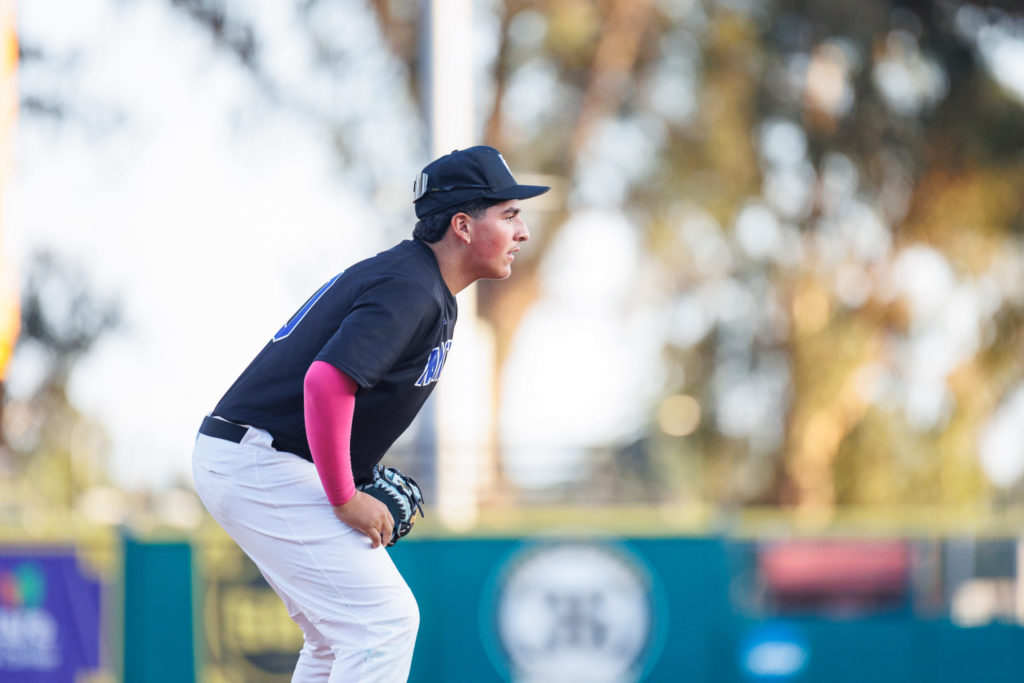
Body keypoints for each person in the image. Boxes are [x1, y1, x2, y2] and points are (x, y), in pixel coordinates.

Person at [191, 145, 548, 682]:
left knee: (337, 638)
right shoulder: (411, 287)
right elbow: (325, 382)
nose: (523, 231)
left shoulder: (421, 284)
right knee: (385, 622)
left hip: (257, 457)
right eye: (509, 214)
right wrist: (343, 494)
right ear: (462, 225)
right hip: (260, 460)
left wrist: (354, 472)